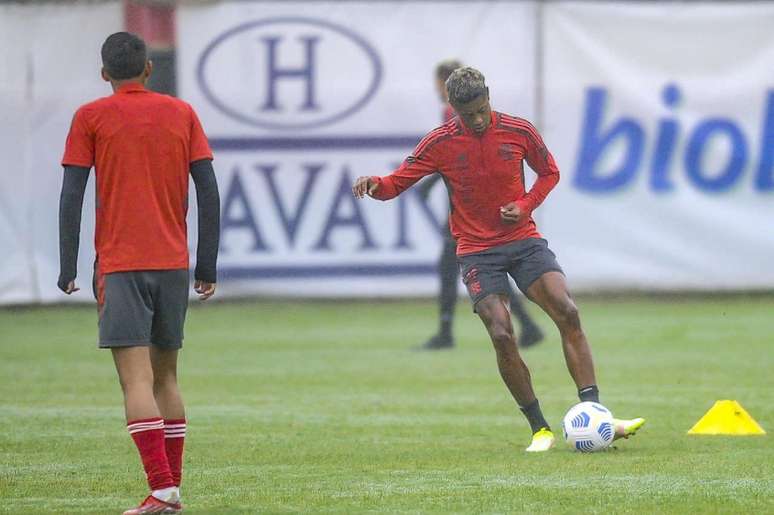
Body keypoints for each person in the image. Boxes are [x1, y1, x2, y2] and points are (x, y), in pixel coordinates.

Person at [353, 67, 644, 452]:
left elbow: (549, 173)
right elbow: (398, 182)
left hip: (522, 240)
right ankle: (539, 428)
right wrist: (375, 185)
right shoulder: (439, 142)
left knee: (567, 311)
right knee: (502, 334)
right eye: (465, 113)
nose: (475, 119)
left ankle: (594, 412)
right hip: (476, 251)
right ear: (452, 108)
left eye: (480, 109)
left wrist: (524, 205)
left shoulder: (519, 131)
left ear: (488, 96)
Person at [59, 32, 220, 513]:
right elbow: (208, 190)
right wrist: (206, 262)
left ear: (104, 73)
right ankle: (171, 490)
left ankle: (163, 489)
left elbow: (72, 194)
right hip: (173, 263)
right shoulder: (181, 112)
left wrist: (68, 264)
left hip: (122, 264)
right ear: (149, 69)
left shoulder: (90, 116)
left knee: (135, 382)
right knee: (166, 378)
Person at [415, 59, 543, 351]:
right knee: (492, 268)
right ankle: (528, 325)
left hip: (466, 214)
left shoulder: (455, 111)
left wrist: (427, 185)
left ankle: (446, 332)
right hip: (478, 210)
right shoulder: (470, 110)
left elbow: (450, 156)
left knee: (453, 268)